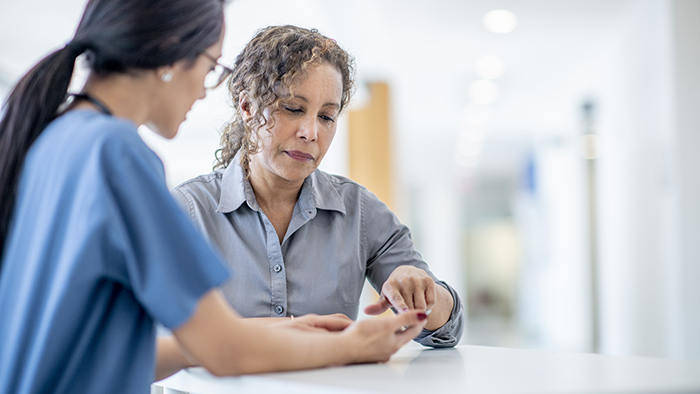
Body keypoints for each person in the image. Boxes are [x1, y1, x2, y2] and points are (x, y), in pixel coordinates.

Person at [0, 2, 429, 394]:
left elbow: (103, 350)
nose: (204, 91)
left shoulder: (56, 138)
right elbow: (226, 353)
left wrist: (283, 332)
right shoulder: (119, 155)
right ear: (169, 51)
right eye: (209, 68)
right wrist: (353, 345)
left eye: (327, 116)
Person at [171, 25, 464, 347]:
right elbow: (163, 338)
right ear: (247, 107)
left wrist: (423, 292)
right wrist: (294, 333)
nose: (311, 132)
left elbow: (445, 331)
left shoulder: (359, 211)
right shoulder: (187, 210)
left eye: (327, 117)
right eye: (294, 109)